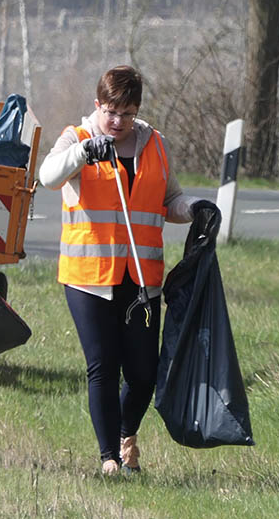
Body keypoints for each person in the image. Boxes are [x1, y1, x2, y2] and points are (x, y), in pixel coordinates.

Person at [38, 65, 199, 475]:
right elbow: (47, 177)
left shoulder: (155, 144)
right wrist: (84, 153)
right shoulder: (78, 138)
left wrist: (196, 212)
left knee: (144, 374)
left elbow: (171, 199)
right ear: (97, 106)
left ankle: (128, 434)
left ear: (137, 111)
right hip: (88, 277)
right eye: (111, 112)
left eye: (127, 114)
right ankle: (109, 456)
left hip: (143, 279)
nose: (118, 122)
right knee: (103, 365)